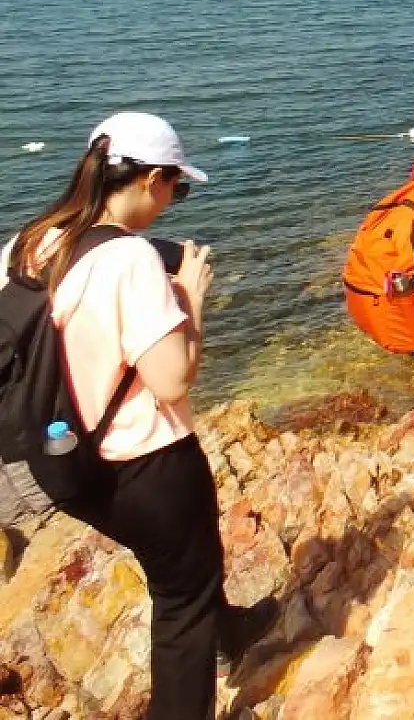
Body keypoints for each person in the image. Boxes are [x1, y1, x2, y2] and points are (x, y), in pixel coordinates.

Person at [1, 113, 278, 719]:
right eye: (177, 188)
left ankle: (230, 632)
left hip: (58, 457)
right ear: (153, 178)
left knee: (182, 568)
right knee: (182, 599)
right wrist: (190, 300)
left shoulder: (31, 240)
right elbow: (172, 380)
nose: (174, 201)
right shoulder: (132, 261)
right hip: (144, 465)